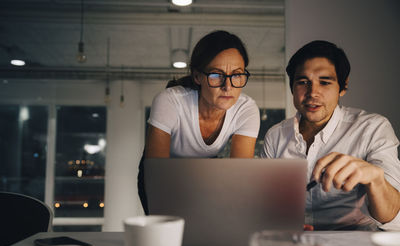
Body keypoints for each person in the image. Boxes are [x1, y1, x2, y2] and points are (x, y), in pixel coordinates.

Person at [261, 40, 400, 230]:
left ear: (343, 86)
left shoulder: (373, 128)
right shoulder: (275, 135)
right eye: (303, 82)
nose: (312, 93)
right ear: (292, 87)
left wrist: (375, 179)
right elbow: (263, 205)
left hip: (355, 245)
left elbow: (393, 217)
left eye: (325, 82)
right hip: (293, 243)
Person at [139, 30, 260, 213]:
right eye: (216, 75)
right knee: (167, 228)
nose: (228, 86)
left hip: (205, 170)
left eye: (236, 75)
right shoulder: (170, 101)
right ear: (197, 76)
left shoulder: (246, 109)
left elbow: (239, 177)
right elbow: (157, 176)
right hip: (162, 170)